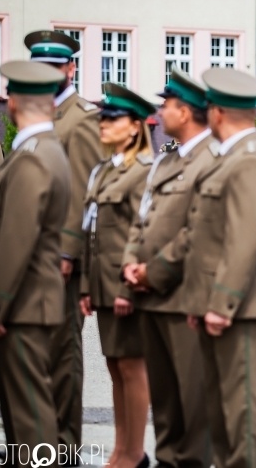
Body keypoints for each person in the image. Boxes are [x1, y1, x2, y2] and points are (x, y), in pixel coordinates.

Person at [183, 67, 256, 468]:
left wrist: (221, 303)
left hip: (238, 308)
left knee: (240, 414)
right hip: (218, 302)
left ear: (219, 113)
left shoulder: (252, 160)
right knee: (220, 410)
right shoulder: (232, 157)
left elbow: (245, 238)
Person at [121, 67, 213, 468]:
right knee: (165, 407)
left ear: (187, 111)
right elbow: (141, 222)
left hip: (184, 297)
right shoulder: (166, 162)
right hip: (153, 297)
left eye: (167, 105)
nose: (160, 112)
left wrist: (149, 272)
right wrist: (130, 264)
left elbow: (199, 232)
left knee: (189, 406)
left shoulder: (211, 161)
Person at [0, 60, 70, 460]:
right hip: (30, 298)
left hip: (24, 301)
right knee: (24, 417)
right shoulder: (39, 150)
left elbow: (17, 238)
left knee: (29, 415)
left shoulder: (34, 156)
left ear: (17, 102)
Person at [25, 29, 102, 455]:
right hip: (29, 254)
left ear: (70, 68)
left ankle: (65, 446)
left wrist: (70, 250)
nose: (49, 73)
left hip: (61, 258)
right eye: (42, 67)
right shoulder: (36, 114)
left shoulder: (82, 118)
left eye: (57, 66)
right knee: (32, 355)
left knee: (62, 354)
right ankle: (37, 443)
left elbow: (85, 193)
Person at [79, 83, 154, 468]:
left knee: (131, 366)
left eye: (112, 119)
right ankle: (121, 448)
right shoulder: (104, 170)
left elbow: (142, 236)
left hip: (127, 286)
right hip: (102, 285)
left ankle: (133, 451)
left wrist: (128, 287)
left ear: (135, 126)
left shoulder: (144, 172)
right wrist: (85, 287)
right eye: (102, 118)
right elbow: (91, 232)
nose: (103, 124)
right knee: (114, 366)